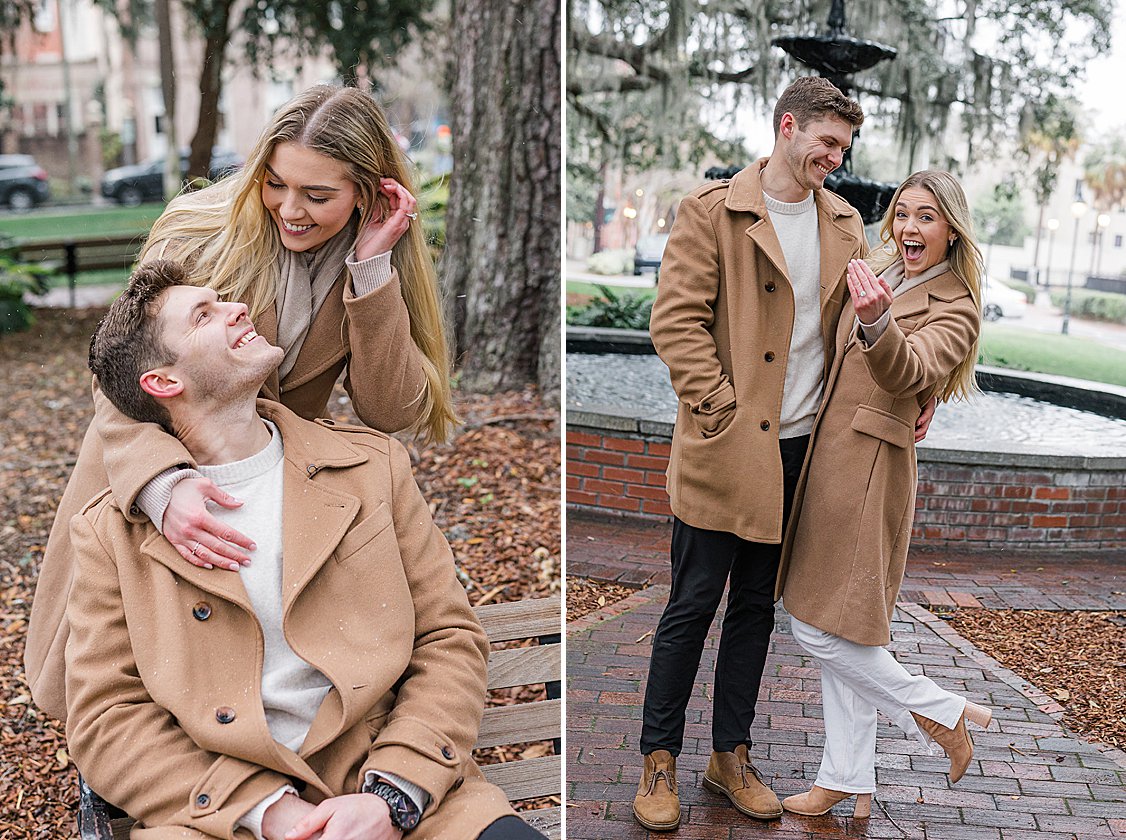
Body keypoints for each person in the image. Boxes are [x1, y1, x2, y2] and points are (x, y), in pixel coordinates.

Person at [66, 260, 546, 840]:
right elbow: (105, 717)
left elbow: (448, 638)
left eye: (222, 299)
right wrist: (269, 812)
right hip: (223, 813)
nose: (236, 308)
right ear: (165, 383)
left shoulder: (370, 468)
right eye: (203, 315)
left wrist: (394, 794)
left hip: (394, 786)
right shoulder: (111, 535)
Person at [26, 84, 458, 724]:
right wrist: (161, 486)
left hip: (267, 473)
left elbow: (390, 409)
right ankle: (112, 763)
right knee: (123, 654)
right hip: (154, 452)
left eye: (318, 196)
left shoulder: (376, 262)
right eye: (277, 183)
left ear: (367, 193)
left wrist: (370, 271)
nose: (291, 209)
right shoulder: (199, 231)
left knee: (248, 647)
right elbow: (120, 366)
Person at [633, 76, 939, 831]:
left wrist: (915, 397)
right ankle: (659, 759)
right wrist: (724, 414)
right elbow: (676, 327)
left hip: (802, 458)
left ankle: (728, 756)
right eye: (826, 143)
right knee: (691, 606)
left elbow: (870, 328)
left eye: (844, 148)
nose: (834, 159)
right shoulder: (713, 212)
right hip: (723, 448)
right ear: (787, 126)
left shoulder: (844, 224)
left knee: (754, 615)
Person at [777, 170, 989, 819]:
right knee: (843, 629)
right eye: (903, 213)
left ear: (951, 228)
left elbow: (912, 369)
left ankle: (941, 711)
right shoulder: (885, 269)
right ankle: (848, 779)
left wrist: (877, 323)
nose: (909, 228)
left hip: (868, 471)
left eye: (926, 217)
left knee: (814, 623)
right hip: (829, 456)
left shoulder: (957, 305)